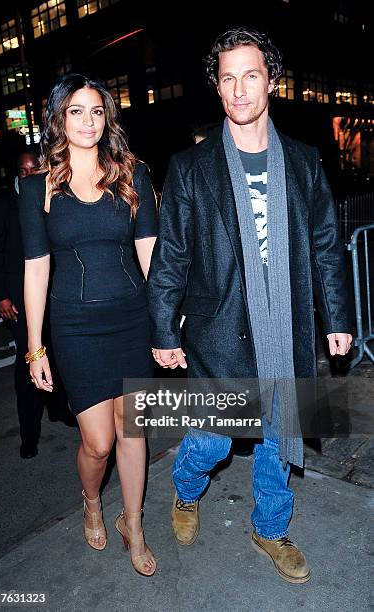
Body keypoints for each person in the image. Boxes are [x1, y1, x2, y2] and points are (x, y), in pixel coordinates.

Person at [147, 27, 352, 584]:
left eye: (250, 75)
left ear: (271, 81)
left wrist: (337, 318)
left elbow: (327, 245)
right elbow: (171, 258)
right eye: (227, 78)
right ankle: (186, 492)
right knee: (213, 442)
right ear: (217, 89)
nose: (239, 89)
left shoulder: (305, 162)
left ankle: (270, 525)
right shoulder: (191, 169)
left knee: (276, 438)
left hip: (287, 328)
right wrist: (164, 331)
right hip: (220, 331)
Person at [18, 74, 158, 576]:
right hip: (75, 327)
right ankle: (92, 500)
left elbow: (149, 255)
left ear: (107, 117)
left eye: (97, 111)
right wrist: (36, 346)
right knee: (98, 443)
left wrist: (166, 326)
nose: (88, 121)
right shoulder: (38, 186)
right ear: (58, 119)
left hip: (133, 320)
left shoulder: (132, 174)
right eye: (76, 111)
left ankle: (134, 525)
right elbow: (36, 266)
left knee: (133, 431)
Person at [0, 152, 45, 459]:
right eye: (23, 170)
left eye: (34, 168)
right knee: (27, 361)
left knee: (57, 355)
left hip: (51, 294)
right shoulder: (2, 204)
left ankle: (60, 410)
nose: (28, 174)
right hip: (19, 300)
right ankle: (29, 434)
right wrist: (1, 296)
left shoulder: (52, 196)